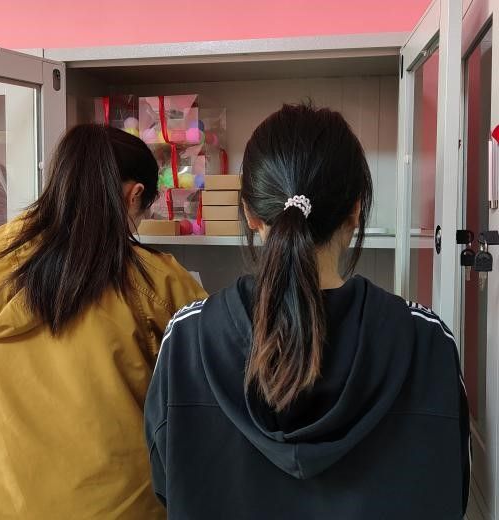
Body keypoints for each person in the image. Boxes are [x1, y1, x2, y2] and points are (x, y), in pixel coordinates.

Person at [144, 104, 470, 519]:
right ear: (356, 210)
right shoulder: (428, 343)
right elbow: (452, 489)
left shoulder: (187, 340)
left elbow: (166, 482)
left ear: (250, 214)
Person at [0, 124, 206, 519]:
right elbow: (211, 391)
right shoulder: (157, 283)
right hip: (118, 507)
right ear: (135, 195)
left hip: (3, 504)